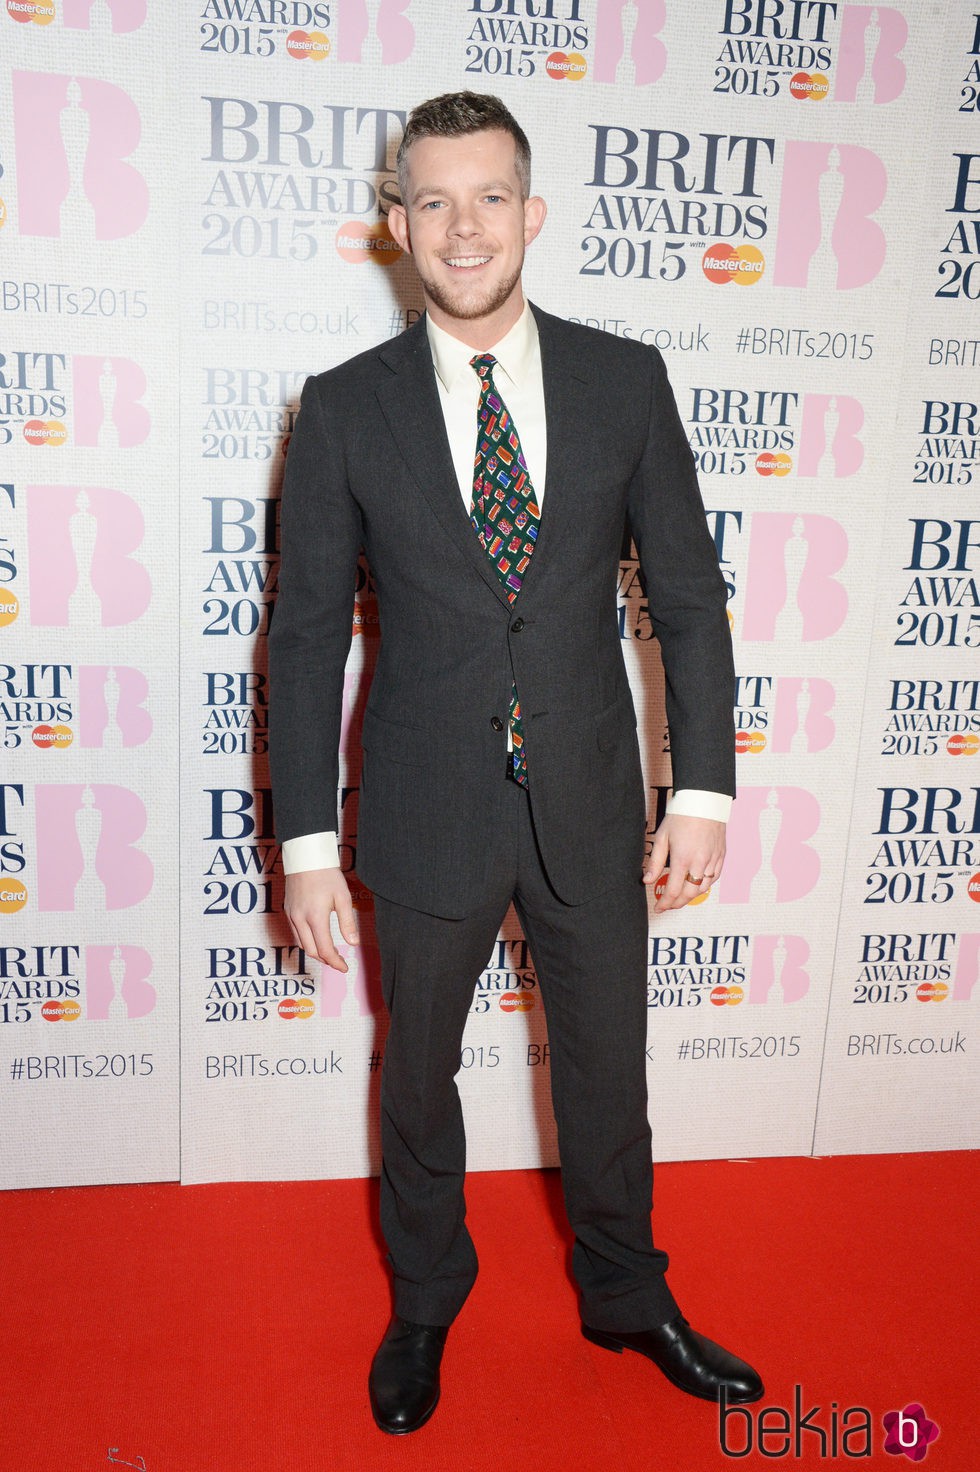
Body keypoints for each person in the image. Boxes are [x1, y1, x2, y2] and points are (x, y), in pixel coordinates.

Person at [268, 91, 762, 1436]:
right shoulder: (343, 409)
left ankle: (625, 1292)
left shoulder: (625, 380)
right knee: (416, 1076)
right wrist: (305, 844)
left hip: (594, 804)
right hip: (423, 811)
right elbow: (307, 640)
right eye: (433, 200)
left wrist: (702, 788)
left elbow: (692, 600)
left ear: (531, 214)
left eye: (489, 197)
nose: (463, 227)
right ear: (396, 226)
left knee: (609, 1071)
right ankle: (425, 1301)